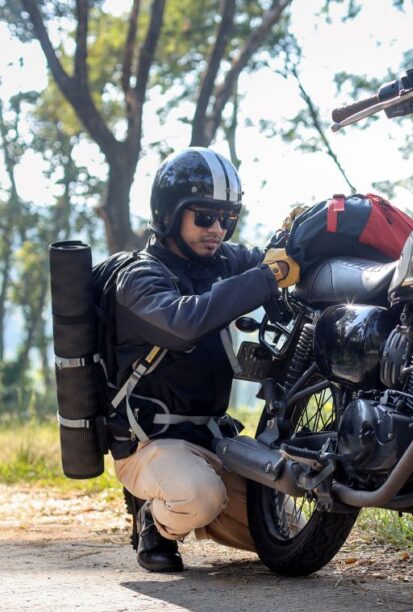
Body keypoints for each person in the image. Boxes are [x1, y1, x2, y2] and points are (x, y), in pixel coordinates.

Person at [109, 147, 298, 572]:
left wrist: (306, 240)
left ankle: (193, 505)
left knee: (281, 528)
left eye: (227, 219)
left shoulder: (221, 260)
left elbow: (269, 260)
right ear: (170, 214)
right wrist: (267, 278)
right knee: (199, 498)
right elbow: (184, 322)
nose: (218, 229)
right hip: (150, 444)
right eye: (205, 217)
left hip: (213, 439)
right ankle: (153, 520)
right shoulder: (140, 277)